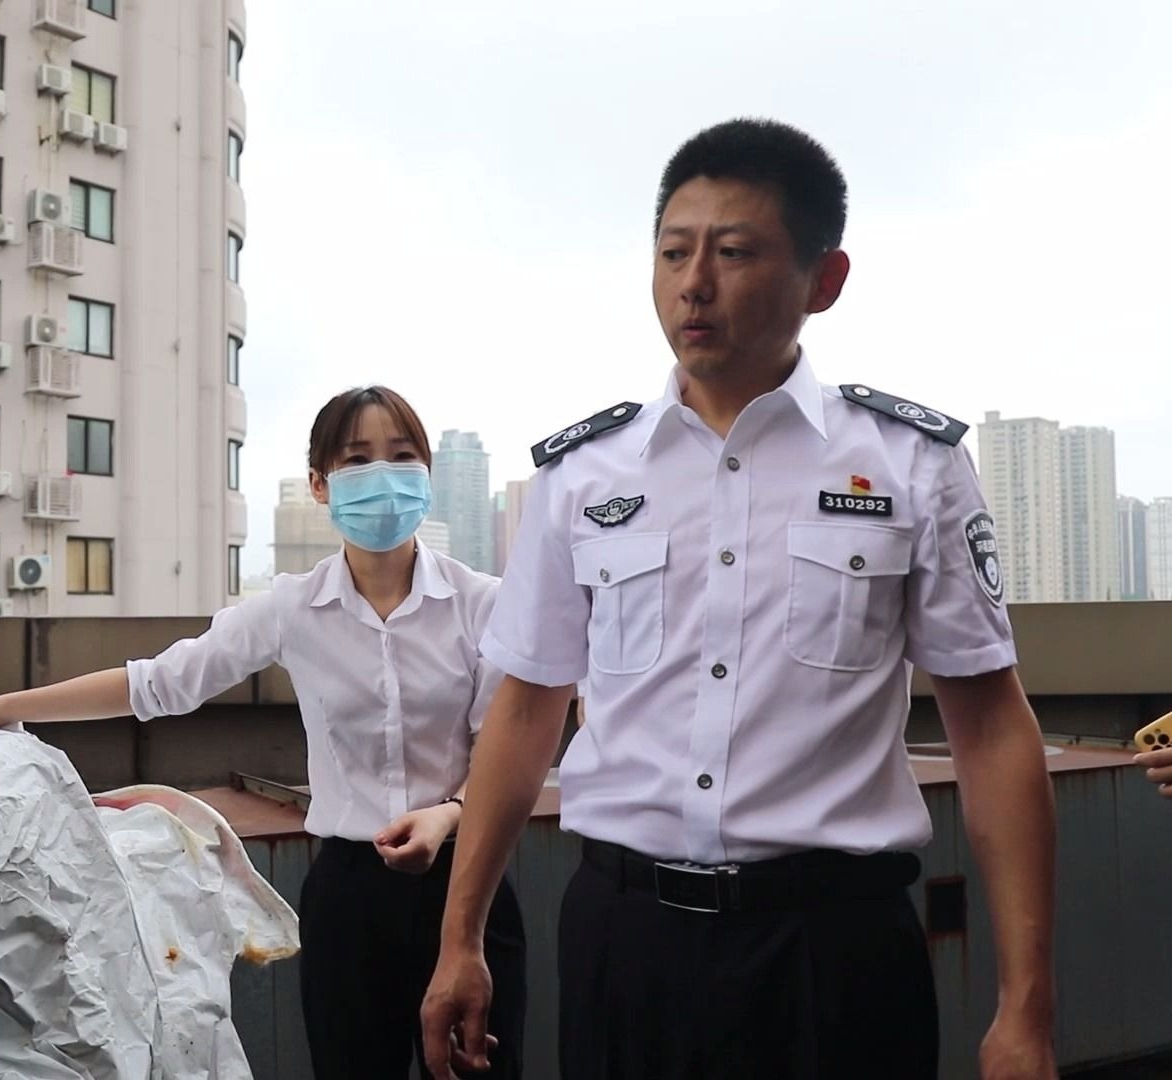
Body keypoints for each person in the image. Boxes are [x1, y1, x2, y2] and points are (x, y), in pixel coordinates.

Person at [419, 118, 1058, 1080]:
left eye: (735, 252)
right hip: (623, 943)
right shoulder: (585, 473)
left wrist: (1026, 1008)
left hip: (833, 953)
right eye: (674, 252)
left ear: (823, 281)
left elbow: (992, 729)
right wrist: (459, 937)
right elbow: (525, 705)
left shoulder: (908, 466)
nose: (694, 283)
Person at [0, 386, 528, 1080]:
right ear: (321, 485)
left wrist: (449, 816)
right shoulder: (294, 608)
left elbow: (505, 752)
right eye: (359, 460)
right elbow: (157, 682)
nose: (384, 477)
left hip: (469, 879)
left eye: (402, 456)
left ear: (426, 474)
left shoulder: (484, 605)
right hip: (350, 896)